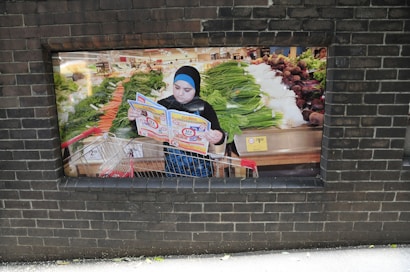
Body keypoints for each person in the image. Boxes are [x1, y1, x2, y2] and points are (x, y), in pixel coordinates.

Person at [128, 65, 225, 177]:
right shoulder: (163, 105)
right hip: (173, 168)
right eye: (177, 87)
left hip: (201, 168)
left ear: (196, 89)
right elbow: (140, 128)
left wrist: (218, 136)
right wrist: (134, 118)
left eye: (187, 90)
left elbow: (219, 136)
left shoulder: (204, 107)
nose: (180, 93)